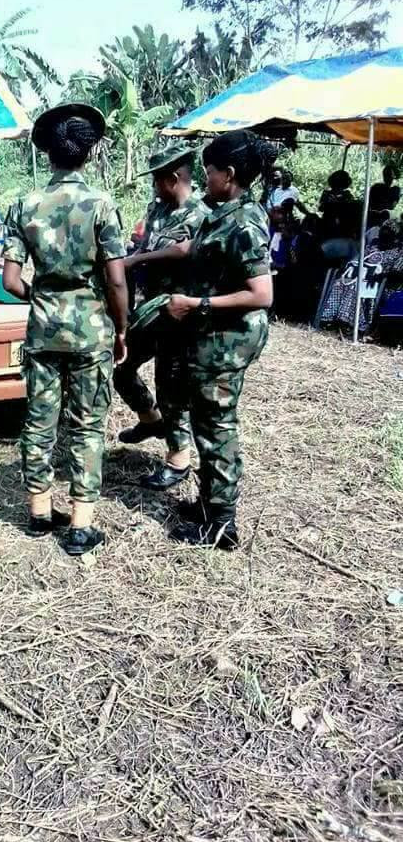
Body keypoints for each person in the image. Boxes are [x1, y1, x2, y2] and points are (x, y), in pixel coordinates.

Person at [2, 103, 128, 557]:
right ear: (88, 154)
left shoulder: (25, 205)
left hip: (43, 329)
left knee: (39, 420)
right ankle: (80, 525)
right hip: (91, 331)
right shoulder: (101, 205)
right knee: (87, 424)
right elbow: (116, 280)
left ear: (49, 154)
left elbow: (10, 281)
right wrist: (121, 328)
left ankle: (39, 513)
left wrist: (41, 298)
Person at [160, 130, 275, 550]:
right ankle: (210, 505)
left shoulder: (244, 222)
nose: (204, 179)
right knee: (206, 422)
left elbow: (261, 294)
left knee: (217, 428)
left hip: (226, 341)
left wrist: (196, 303)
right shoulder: (225, 212)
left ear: (228, 174)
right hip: (212, 338)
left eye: (209, 172)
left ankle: (221, 525)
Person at [114, 144, 210, 490]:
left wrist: (138, 260)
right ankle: (150, 419)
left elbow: (186, 250)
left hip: (178, 312)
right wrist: (133, 257)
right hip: (150, 306)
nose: (154, 186)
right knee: (122, 367)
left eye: (157, 179)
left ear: (173, 178)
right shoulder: (158, 209)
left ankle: (178, 459)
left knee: (171, 385)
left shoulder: (201, 213)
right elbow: (145, 244)